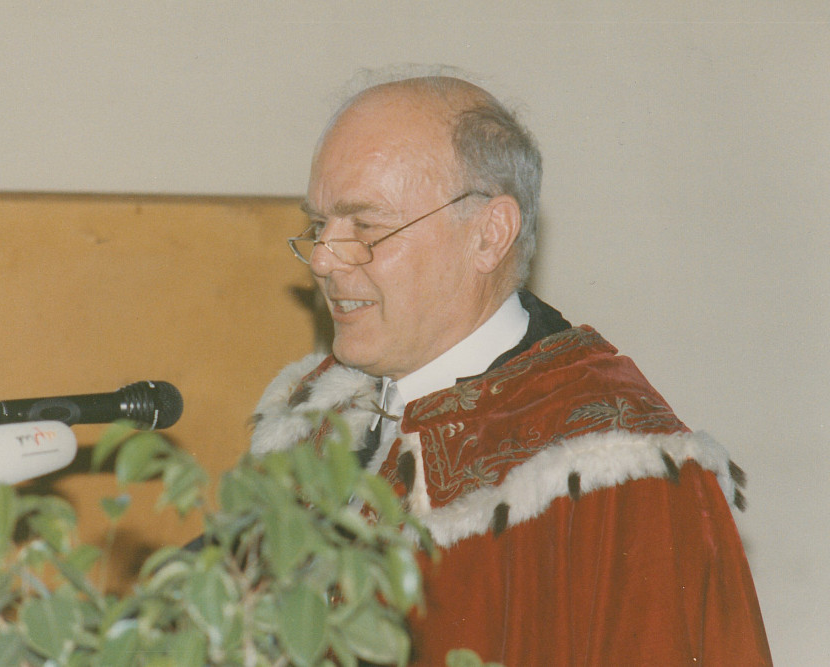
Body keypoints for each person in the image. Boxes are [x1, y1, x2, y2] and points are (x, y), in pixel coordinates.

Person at [249, 71, 771, 665]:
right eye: (319, 226)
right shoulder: (312, 420)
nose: (322, 260)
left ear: (489, 235)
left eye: (365, 227)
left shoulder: (619, 475)